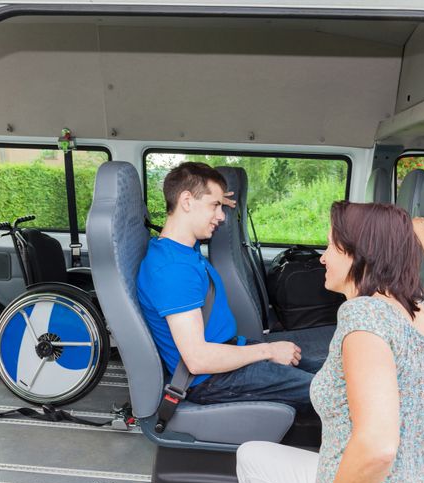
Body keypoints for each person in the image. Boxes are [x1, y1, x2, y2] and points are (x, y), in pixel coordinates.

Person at [236, 201, 424, 483]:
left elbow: (377, 446)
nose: (323, 257)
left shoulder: (363, 318)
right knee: (252, 459)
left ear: (361, 254)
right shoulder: (423, 311)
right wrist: (419, 233)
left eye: (332, 245)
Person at [136, 162, 326, 412]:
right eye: (214, 206)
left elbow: (187, 221)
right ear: (186, 201)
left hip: (228, 354)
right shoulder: (173, 270)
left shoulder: (180, 247)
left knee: (330, 373)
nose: (221, 215)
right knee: (330, 393)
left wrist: (214, 199)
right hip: (211, 380)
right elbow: (198, 360)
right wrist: (268, 350)